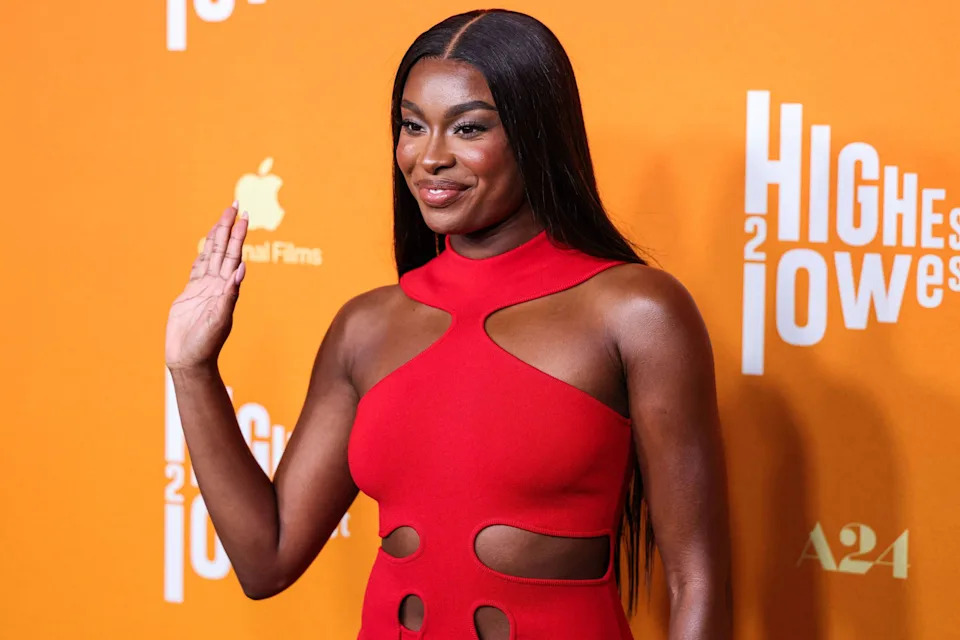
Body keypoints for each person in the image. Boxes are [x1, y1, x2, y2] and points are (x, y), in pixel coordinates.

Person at [165, 9, 731, 639]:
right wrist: (193, 369)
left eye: (468, 128)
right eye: (412, 126)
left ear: (534, 135)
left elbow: (696, 581)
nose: (430, 157)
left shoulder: (636, 312)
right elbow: (265, 559)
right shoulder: (366, 327)